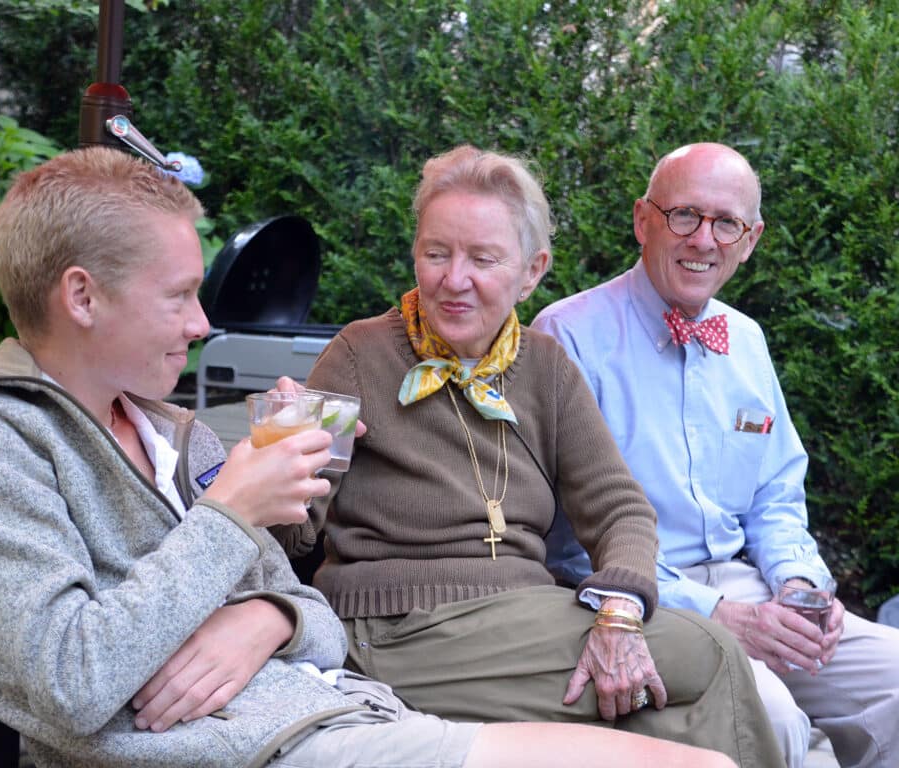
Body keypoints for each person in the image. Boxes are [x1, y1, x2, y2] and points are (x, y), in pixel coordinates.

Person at [0, 146, 737, 768]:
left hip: (330, 704)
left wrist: (270, 615)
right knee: (699, 698)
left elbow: (299, 602)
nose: (202, 325)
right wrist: (248, 505)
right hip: (315, 709)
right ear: (82, 296)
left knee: (697, 730)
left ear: (530, 272)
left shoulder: (175, 433)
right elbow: (78, 675)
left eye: (482, 259)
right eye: (181, 297)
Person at [272, 144, 783, 768]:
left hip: (524, 619)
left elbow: (619, 507)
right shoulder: (359, 354)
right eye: (437, 253)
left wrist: (620, 611)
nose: (453, 279)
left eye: (483, 259)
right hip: (399, 627)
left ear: (531, 271)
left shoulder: (544, 366)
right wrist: (287, 451)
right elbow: (289, 539)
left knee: (676, 710)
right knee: (710, 655)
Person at [532, 141, 899, 768]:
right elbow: (567, 545)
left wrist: (800, 585)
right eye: (685, 216)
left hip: (748, 583)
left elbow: (776, 497)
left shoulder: (747, 341)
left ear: (749, 239)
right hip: (637, 600)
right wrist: (721, 613)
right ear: (643, 220)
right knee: (769, 717)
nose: (704, 239)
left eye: (725, 223)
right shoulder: (567, 335)